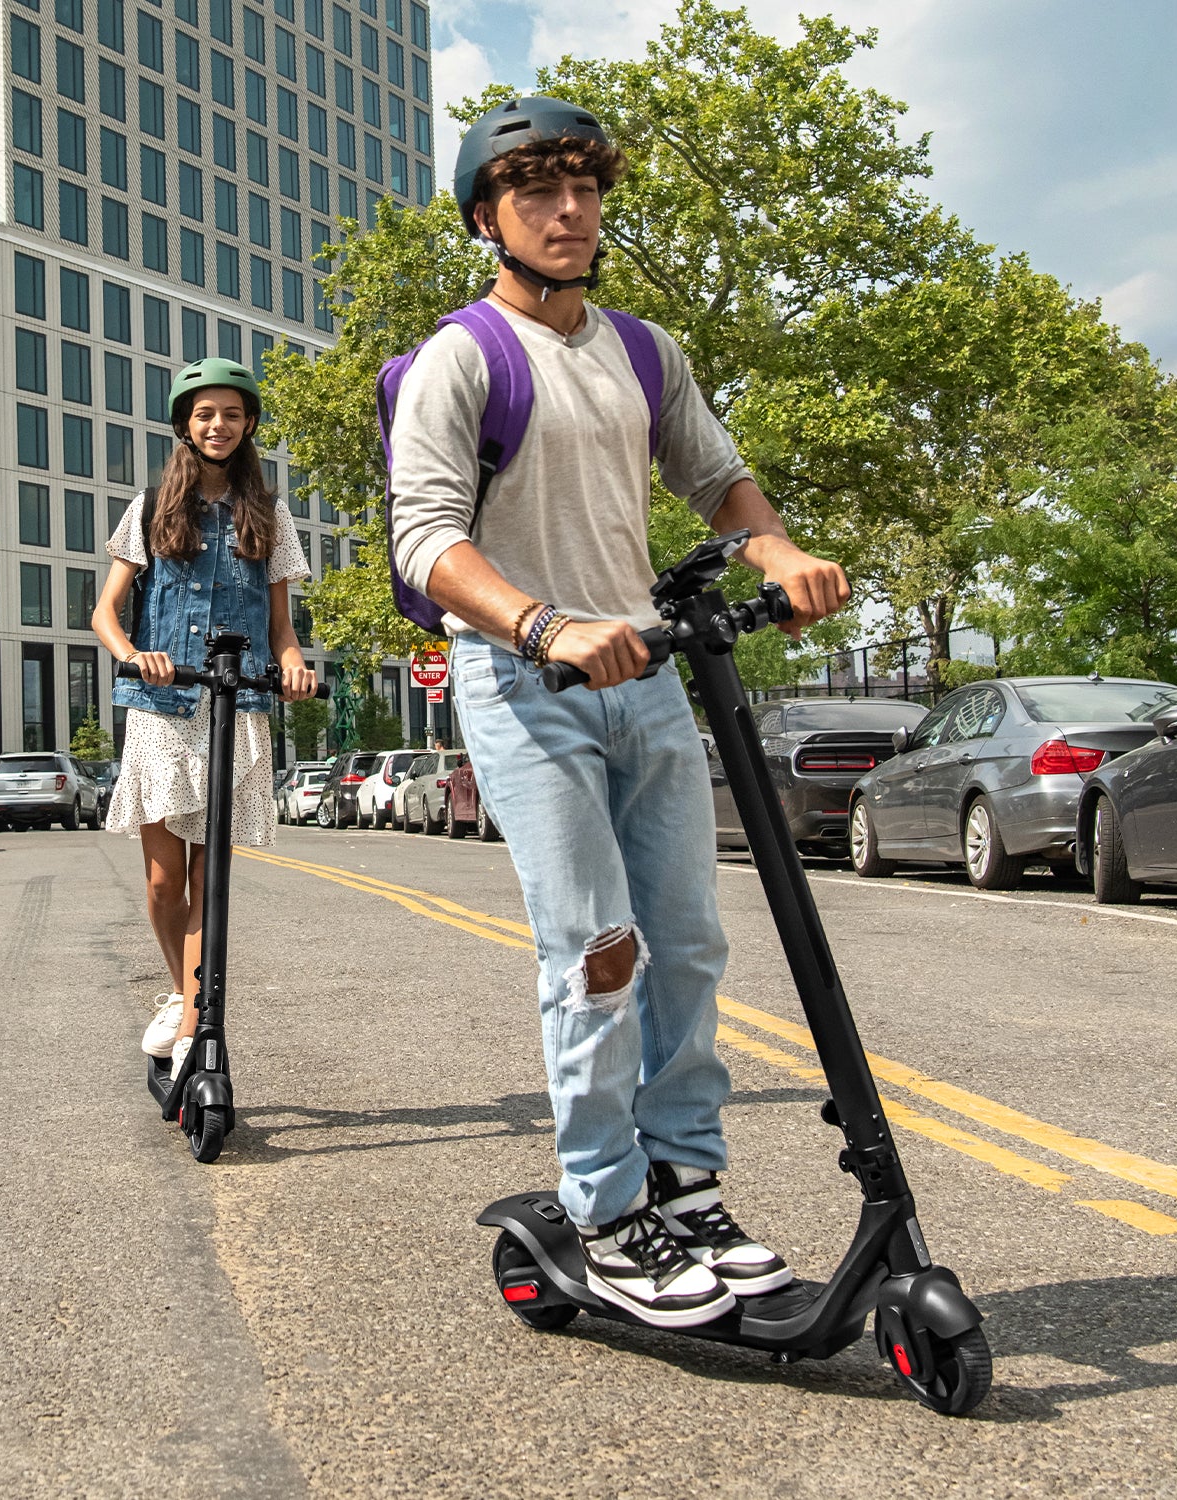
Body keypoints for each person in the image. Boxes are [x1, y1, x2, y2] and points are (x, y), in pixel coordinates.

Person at [389, 98, 851, 1328]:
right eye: (538, 192)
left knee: (689, 942)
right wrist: (543, 623)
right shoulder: (462, 357)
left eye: (584, 188)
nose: (570, 211)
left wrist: (777, 552)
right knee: (597, 950)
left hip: (643, 673)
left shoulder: (643, 350)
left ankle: (686, 1181)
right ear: (488, 217)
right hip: (525, 683)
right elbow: (428, 542)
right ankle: (603, 1208)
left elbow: (718, 479)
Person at [93, 359, 316, 1078]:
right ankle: (181, 991)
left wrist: (293, 664)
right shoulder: (152, 506)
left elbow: (282, 627)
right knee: (165, 882)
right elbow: (104, 612)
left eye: (230, 414)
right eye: (204, 415)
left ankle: (195, 1025)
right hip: (162, 707)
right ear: (185, 425)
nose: (217, 425)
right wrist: (135, 655)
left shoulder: (270, 515)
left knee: (208, 875)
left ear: (248, 424)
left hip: (235, 705)